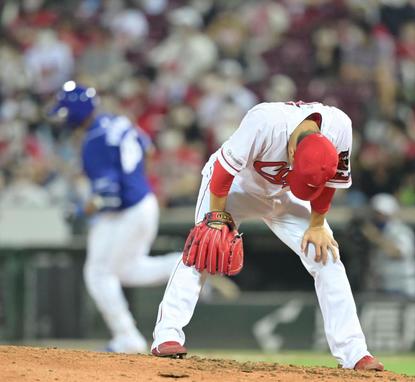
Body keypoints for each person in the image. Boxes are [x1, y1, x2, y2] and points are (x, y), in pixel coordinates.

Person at [151, 100, 384, 371]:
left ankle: (354, 353)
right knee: (203, 248)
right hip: (237, 187)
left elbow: (329, 184)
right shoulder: (265, 121)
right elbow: (224, 172)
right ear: (294, 150)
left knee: (327, 257)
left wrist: (318, 225)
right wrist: (216, 219)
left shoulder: (340, 126)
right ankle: (167, 334)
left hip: (285, 197)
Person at [49, 81, 180, 353]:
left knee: (98, 274)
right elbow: (149, 150)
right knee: (128, 270)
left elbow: (107, 198)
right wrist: (135, 181)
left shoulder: (93, 141)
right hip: (144, 202)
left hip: (127, 211)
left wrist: (79, 210)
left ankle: (127, 338)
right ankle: (183, 266)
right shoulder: (118, 121)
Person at [362, 193, 415, 299]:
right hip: (383, 287)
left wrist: (376, 237)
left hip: (404, 289)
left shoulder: (401, 230)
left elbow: (398, 253)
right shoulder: (378, 231)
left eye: (380, 213)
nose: (377, 217)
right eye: (375, 213)